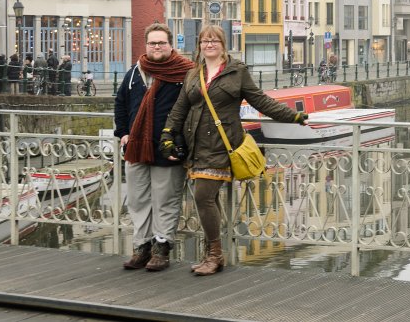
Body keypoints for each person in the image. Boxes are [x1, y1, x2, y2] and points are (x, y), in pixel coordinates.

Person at [162, 25, 308, 276]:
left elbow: (259, 100)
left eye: (214, 40)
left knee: (202, 197)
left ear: (223, 44)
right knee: (209, 199)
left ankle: (215, 254)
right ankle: (212, 254)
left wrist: (293, 116)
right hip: (196, 145)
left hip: (223, 144)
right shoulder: (193, 73)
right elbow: (179, 107)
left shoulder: (236, 70)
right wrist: (167, 134)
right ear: (199, 45)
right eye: (205, 41)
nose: (209, 45)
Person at [114, 23, 195, 272]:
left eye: (161, 43)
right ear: (146, 45)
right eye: (152, 43)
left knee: (165, 200)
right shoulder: (134, 73)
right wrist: (124, 133)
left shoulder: (185, 73)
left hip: (167, 147)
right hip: (137, 147)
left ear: (171, 45)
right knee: (138, 200)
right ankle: (142, 246)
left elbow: (194, 109)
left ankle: (162, 247)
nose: (156, 47)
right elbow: (121, 104)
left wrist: (182, 140)